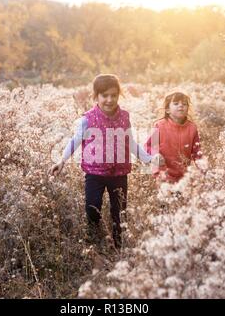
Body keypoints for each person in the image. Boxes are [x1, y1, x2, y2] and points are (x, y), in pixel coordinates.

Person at [48, 74, 162, 249]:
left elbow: (130, 142)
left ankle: (118, 247)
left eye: (113, 95)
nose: (109, 100)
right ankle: (94, 243)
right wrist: (62, 160)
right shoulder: (87, 119)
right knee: (92, 208)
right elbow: (75, 141)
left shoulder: (124, 117)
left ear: (119, 95)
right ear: (96, 96)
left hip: (119, 174)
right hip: (94, 174)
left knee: (119, 213)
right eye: (104, 95)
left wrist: (148, 159)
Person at [145, 92, 202, 184]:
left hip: (184, 175)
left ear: (188, 109)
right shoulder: (159, 125)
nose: (181, 106)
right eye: (176, 104)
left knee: (182, 197)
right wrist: (155, 155)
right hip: (163, 173)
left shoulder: (192, 128)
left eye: (184, 104)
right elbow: (149, 145)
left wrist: (202, 169)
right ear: (167, 110)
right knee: (167, 197)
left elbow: (197, 152)